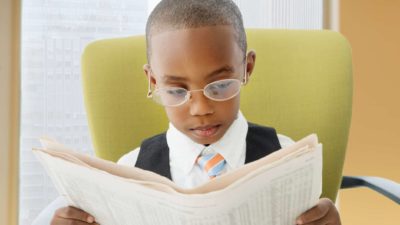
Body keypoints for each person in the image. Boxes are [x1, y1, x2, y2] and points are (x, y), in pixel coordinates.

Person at [34, 0, 341, 224]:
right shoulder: (129, 173)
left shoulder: (286, 161)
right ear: (153, 81)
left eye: (219, 86)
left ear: (246, 69)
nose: (201, 109)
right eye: (177, 91)